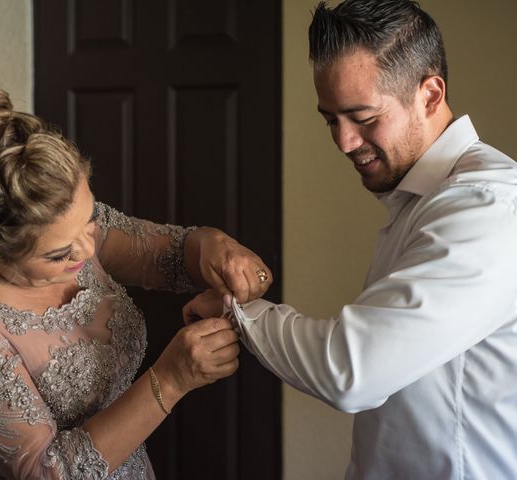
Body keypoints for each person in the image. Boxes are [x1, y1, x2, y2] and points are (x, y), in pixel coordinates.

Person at [185, 1, 517, 478]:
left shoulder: (485, 209)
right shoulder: (424, 200)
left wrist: (239, 312)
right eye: (330, 119)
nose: (343, 142)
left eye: (362, 117)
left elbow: (351, 371)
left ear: (429, 94)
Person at [0, 89, 272, 479]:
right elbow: (47, 471)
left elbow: (173, 255)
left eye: (91, 216)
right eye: (59, 255)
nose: (89, 247)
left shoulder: (68, 228)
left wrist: (218, 248)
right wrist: (172, 379)